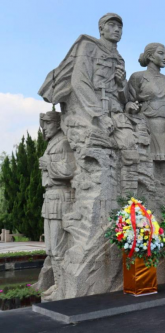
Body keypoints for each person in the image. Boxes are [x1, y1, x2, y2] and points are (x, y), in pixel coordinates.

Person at [38, 13, 140, 195]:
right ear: (101, 29)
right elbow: (79, 82)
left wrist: (120, 82)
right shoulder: (88, 47)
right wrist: (99, 115)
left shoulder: (119, 58)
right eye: (112, 25)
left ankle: (128, 204)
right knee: (100, 149)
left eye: (120, 26)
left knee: (131, 150)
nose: (117, 29)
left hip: (115, 111)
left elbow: (123, 96)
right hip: (90, 111)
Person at [128, 43, 165, 200]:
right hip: (147, 127)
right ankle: (146, 213)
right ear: (150, 56)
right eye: (161, 53)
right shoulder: (137, 77)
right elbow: (127, 101)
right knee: (147, 168)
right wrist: (130, 106)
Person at [39, 111, 76, 300]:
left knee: (59, 248)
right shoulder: (51, 143)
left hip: (61, 197)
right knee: (51, 248)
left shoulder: (63, 142)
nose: (44, 128)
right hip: (51, 197)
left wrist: (49, 164)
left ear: (57, 123)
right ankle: (56, 284)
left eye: (47, 124)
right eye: (43, 124)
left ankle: (62, 286)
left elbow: (70, 169)